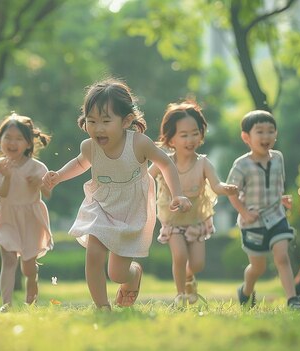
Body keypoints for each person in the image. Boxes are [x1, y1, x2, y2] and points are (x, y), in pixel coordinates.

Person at [42, 78, 192, 310]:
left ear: (126, 121)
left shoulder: (139, 144)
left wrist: (177, 194)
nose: (98, 128)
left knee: (117, 273)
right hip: (101, 204)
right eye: (91, 121)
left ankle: (132, 275)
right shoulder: (89, 147)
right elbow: (81, 164)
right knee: (93, 253)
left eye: (105, 121)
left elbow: (165, 164)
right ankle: (103, 307)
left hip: (132, 208)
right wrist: (59, 176)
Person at [149, 100, 238, 306]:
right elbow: (146, 178)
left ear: (201, 133)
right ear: (171, 139)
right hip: (172, 222)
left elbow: (216, 186)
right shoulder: (164, 161)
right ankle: (180, 295)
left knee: (197, 264)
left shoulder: (203, 163)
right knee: (179, 256)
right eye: (184, 135)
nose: (190, 139)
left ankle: (189, 278)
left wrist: (227, 188)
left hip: (196, 220)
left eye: (195, 133)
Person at [226, 110, 300, 310]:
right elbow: (231, 192)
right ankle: (246, 290)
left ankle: (292, 300)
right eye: (259, 131)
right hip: (253, 222)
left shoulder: (278, 158)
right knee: (257, 267)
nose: (266, 136)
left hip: (277, 216)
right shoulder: (241, 165)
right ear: (246, 137)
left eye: (271, 131)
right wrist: (244, 212)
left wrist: (281, 199)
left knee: (282, 257)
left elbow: (276, 184)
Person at [0, 113, 53, 312]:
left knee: (28, 268)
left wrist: (39, 183)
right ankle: (6, 303)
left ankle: (31, 299)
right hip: (7, 217)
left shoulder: (38, 167)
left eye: (19, 139)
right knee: (9, 259)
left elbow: (47, 193)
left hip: (31, 218)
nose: (12, 143)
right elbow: (1, 193)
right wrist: (5, 177)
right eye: (8, 138)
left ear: (29, 143)